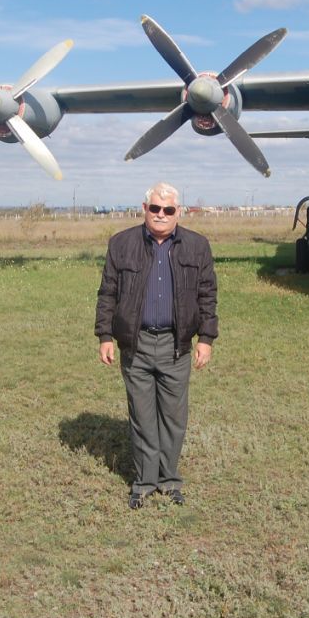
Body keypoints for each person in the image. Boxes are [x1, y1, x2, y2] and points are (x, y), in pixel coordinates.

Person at [95, 182, 217, 509]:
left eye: (168, 210)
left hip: (177, 345)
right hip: (135, 343)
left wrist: (205, 338)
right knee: (142, 416)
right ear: (144, 208)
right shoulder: (121, 244)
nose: (161, 215)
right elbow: (108, 293)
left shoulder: (197, 246)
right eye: (155, 208)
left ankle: (169, 480)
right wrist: (105, 336)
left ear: (179, 212)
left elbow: (207, 295)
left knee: (174, 418)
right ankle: (145, 482)